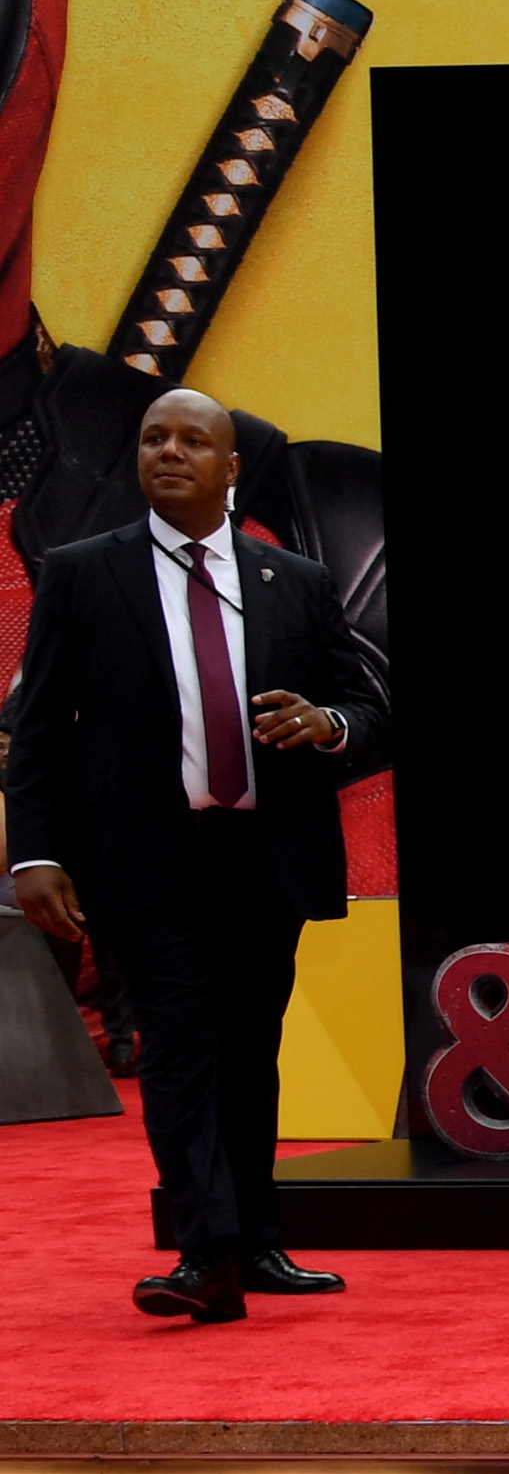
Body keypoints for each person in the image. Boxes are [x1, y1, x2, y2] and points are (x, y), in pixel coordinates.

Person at [6, 388, 377, 1323]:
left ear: (230, 468)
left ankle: (254, 1241)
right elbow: (39, 728)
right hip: (147, 858)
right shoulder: (83, 573)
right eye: (153, 438)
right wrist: (34, 854)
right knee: (177, 1046)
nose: (168, 452)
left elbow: (372, 708)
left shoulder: (292, 579)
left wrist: (328, 724)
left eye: (191, 440)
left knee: (251, 1052)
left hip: (266, 856)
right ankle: (204, 1249)